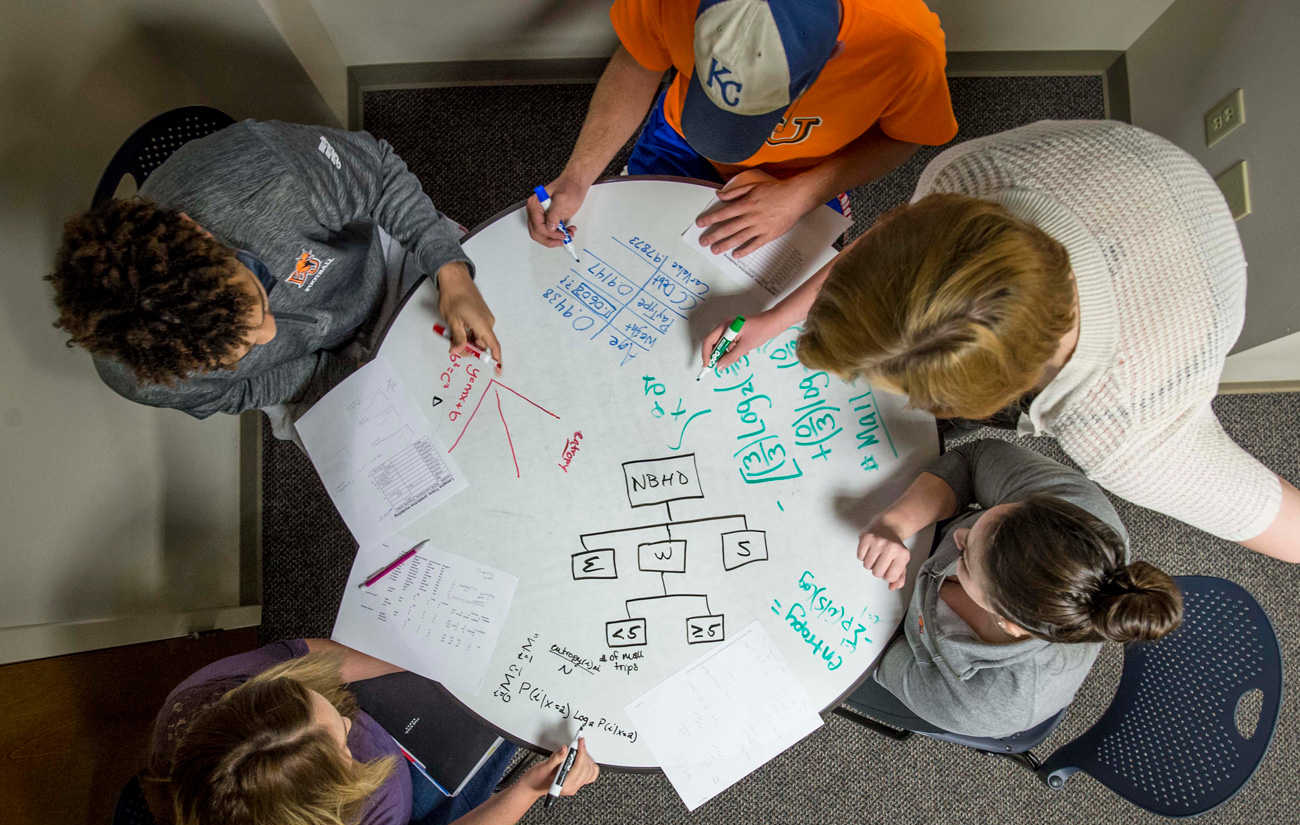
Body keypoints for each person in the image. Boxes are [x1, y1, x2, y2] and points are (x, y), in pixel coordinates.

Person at [702, 120, 1300, 561]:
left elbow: (1280, 522)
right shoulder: (969, 178)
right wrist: (777, 319)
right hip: (1134, 173)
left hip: (1189, 289)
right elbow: (900, 242)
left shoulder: (1127, 431)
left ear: (993, 402)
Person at [48, 120, 502, 440]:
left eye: (259, 290)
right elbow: (238, 390)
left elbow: (380, 175)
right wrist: (331, 381)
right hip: (312, 378)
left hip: (379, 267)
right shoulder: (146, 375)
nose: (272, 332)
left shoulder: (271, 176)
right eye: (242, 351)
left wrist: (453, 275)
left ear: (199, 232)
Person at [527, 0, 957, 258]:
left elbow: (906, 135)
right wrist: (577, 175)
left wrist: (800, 194)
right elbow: (637, 62)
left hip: (801, 173)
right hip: (681, 137)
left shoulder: (905, 47)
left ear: (834, 54)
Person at [143, 638, 598, 825]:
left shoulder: (191, 705)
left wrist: (431, 657)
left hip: (383, 759)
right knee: (515, 712)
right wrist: (527, 790)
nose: (347, 720)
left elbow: (308, 657)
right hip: (413, 795)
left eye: (310, 698)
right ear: (328, 809)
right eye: (344, 743)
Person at [851, 439, 1183, 738]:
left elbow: (873, 659)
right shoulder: (1078, 512)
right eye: (986, 519)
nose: (959, 536)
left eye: (965, 559)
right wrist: (894, 524)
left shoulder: (985, 703)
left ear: (1011, 624)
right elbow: (973, 462)